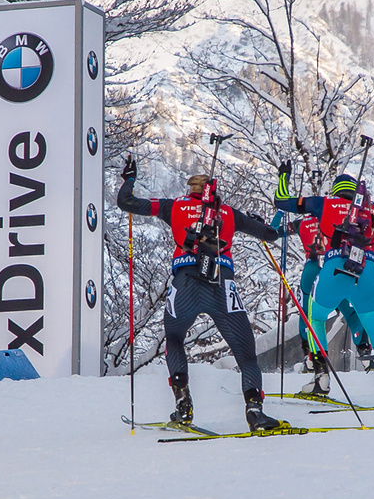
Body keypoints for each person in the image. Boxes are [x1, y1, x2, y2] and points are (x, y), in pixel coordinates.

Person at [117, 159, 285, 431]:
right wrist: (263, 221)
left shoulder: (174, 207)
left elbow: (127, 202)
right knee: (246, 352)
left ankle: (183, 404)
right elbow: (272, 235)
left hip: (185, 284)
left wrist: (130, 179)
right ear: (213, 191)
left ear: (190, 189)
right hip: (222, 285)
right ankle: (255, 411)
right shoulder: (229, 213)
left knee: (173, 339)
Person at [274, 166, 374, 404]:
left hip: (332, 269)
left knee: (316, 318)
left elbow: (281, 201)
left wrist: (283, 177)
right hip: (366, 272)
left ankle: (321, 378)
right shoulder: (371, 208)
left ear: (336, 190)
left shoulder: (323, 203)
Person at [283, 210, 370, 392]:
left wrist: (279, 213)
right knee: (347, 307)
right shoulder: (334, 214)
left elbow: (275, 231)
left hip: (312, 268)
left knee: (308, 313)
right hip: (334, 267)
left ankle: (311, 357)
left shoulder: (301, 222)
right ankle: (364, 348)